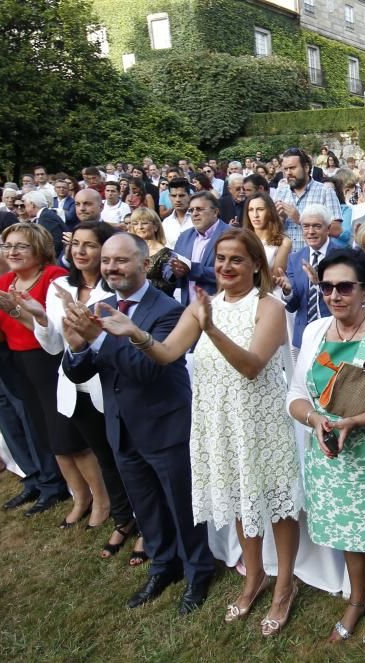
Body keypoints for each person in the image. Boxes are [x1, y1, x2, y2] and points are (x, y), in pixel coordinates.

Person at [97, 228, 301, 631]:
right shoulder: (200, 305)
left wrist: (212, 329)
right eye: (221, 258)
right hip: (220, 420)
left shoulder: (269, 307)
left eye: (236, 259)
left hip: (260, 420)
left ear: (256, 264)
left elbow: (251, 365)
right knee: (243, 499)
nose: (225, 266)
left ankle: (285, 585)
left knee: (277, 502)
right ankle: (255, 575)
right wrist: (135, 333)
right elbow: (167, 353)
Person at [60, 233, 215, 615]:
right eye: (107, 261)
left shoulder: (167, 310)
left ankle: (198, 570)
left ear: (144, 265)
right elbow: (81, 371)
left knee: (181, 505)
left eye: (121, 261)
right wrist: (78, 346)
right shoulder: (104, 306)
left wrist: (97, 338)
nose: (111, 268)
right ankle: (164, 566)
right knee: (146, 505)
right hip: (121, 425)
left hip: (163, 424)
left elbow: (147, 369)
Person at [287, 248, 365, 651]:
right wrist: (315, 421)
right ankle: (357, 598)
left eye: (344, 287)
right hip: (327, 450)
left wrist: (354, 422)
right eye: (326, 287)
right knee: (345, 533)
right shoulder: (314, 331)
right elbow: (297, 394)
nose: (334, 295)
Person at [13, 222, 139, 556]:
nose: (80, 251)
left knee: (126, 453)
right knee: (103, 455)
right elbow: (55, 345)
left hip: (109, 382)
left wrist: (83, 318)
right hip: (74, 381)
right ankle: (123, 518)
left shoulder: (116, 288)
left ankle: (144, 519)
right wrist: (40, 317)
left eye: (90, 245)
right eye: (76, 244)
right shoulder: (59, 286)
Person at [0, 223, 72, 516]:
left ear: (40, 249)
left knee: (63, 431)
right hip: (17, 363)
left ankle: (67, 488)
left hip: (49, 362)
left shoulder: (55, 277)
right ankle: (49, 484)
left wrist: (16, 312)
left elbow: (52, 333)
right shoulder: (5, 280)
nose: (12, 252)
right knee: (38, 429)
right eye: (8, 247)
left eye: (21, 246)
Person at [277, 205, 346, 351]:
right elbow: (293, 306)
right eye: (306, 226)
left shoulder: (343, 255)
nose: (311, 232)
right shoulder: (295, 258)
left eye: (316, 226)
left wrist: (319, 283)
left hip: (336, 333)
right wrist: (288, 292)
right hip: (304, 337)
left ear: (328, 229)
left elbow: (348, 296)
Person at [167, 191, 229, 305]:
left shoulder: (231, 234)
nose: (194, 214)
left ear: (215, 212)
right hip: (189, 308)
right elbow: (168, 268)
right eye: (191, 210)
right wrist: (175, 272)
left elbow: (230, 271)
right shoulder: (184, 236)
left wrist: (192, 269)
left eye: (199, 209)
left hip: (222, 306)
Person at [244, 192, 292, 279]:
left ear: (270, 212)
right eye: (251, 210)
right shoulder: (242, 239)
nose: (255, 215)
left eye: (260, 209)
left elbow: (275, 278)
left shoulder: (284, 242)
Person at [127, 207, 174, 297]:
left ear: (155, 226)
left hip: (156, 301)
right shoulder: (128, 251)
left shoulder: (167, 254)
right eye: (135, 224)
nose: (140, 227)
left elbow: (170, 286)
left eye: (144, 223)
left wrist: (146, 283)